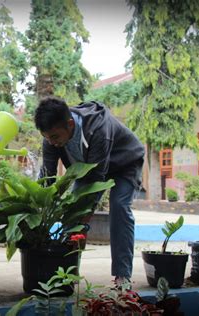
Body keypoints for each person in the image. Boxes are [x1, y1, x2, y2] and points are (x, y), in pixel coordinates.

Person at [34, 96, 144, 289]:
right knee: (71, 214)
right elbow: (47, 179)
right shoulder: (51, 140)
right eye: (47, 138)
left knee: (119, 207)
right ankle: (67, 276)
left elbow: (96, 179)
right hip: (90, 168)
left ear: (69, 124)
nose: (52, 143)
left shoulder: (98, 130)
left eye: (55, 137)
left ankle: (122, 277)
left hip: (125, 163)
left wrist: (83, 226)